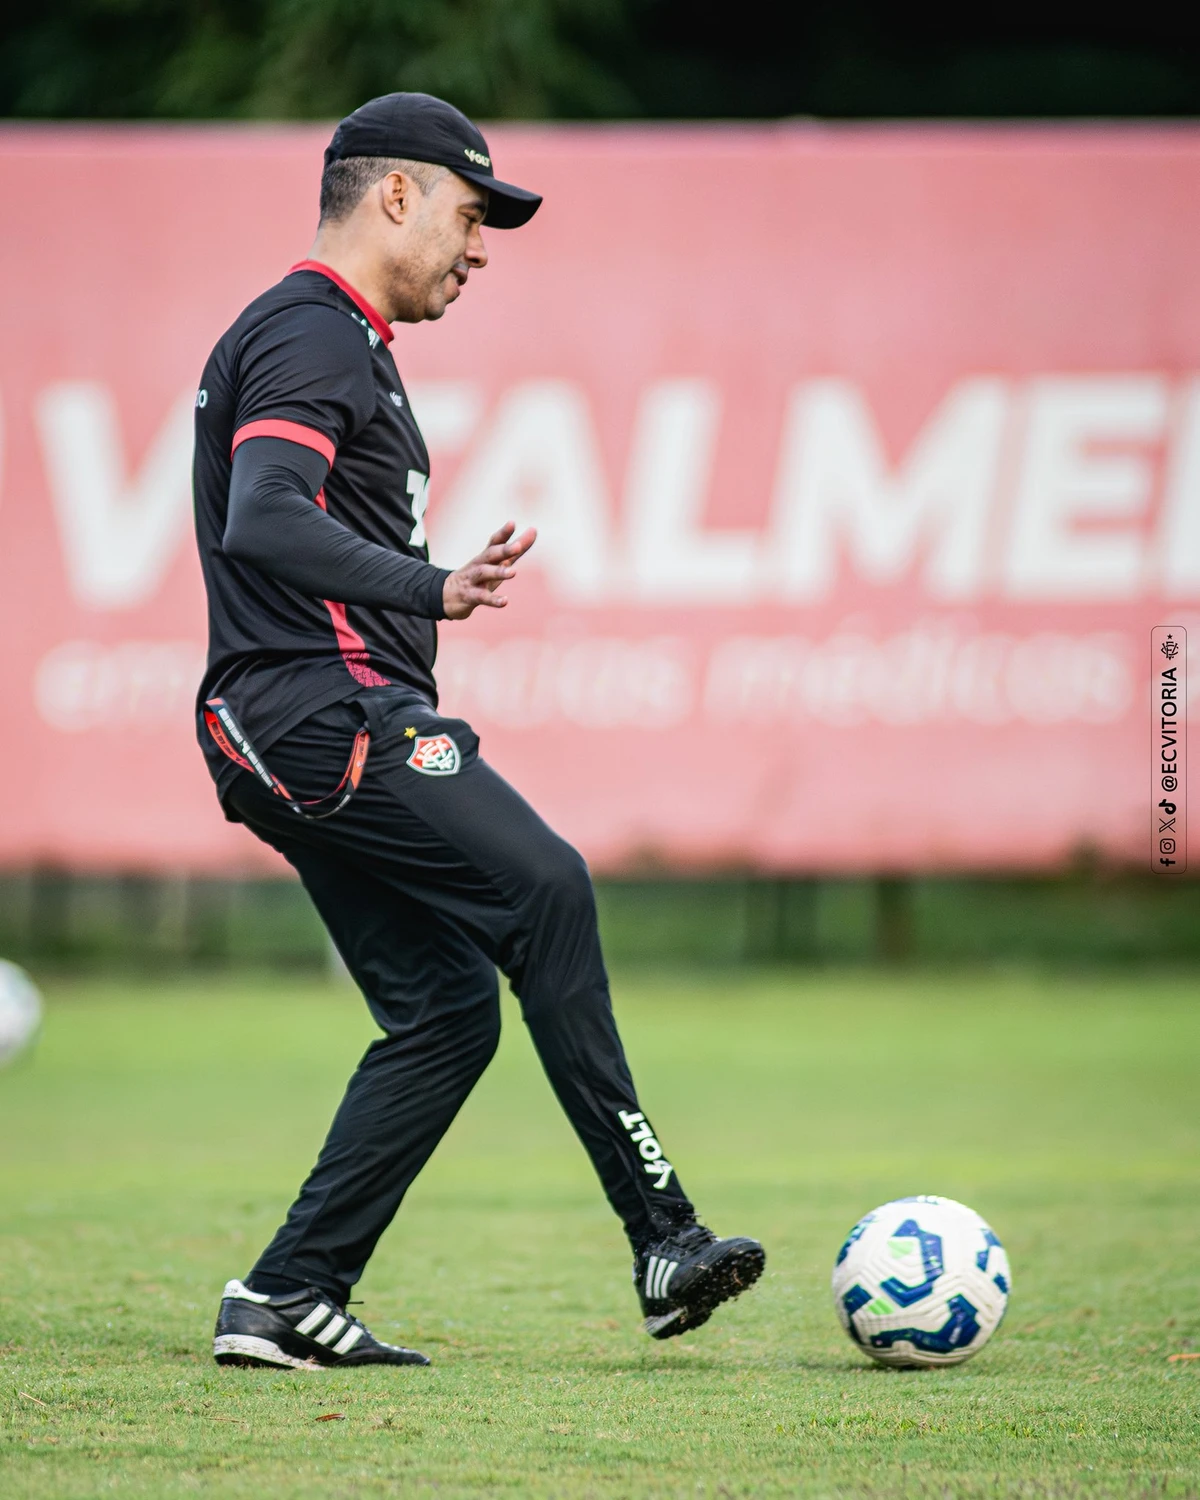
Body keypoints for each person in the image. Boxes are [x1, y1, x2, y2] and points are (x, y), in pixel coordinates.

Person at [192, 91, 764, 1370]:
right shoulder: (315, 331)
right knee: (548, 886)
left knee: (450, 1009)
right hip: (323, 711)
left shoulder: (322, 337)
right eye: (469, 210)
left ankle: (286, 1294)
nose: (484, 244)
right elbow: (264, 518)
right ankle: (663, 1232)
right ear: (394, 195)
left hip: (280, 723)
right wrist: (430, 584)